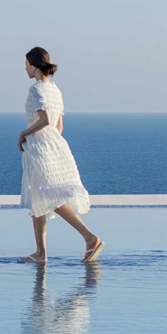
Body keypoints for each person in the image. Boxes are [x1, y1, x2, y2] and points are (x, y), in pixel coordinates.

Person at [18, 47, 104, 264]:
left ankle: (89, 237)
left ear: (35, 66)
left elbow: (45, 120)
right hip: (54, 144)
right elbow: (58, 125)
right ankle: (40, 252)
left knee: (50, 197)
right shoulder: (55, 91)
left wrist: (24, 133)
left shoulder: (36, 90)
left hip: (40, 148)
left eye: (27, 64)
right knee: (39, 197)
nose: (25, 68)